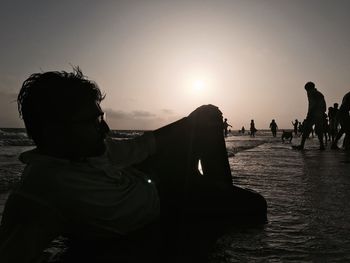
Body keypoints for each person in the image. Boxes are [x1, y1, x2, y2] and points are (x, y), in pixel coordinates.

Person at [0, 68, 267, 263]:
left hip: (155, 174)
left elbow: (142, 146)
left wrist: (190, 122)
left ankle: (217, 194)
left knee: (207, 113)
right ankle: (217, 197)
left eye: (101, 117)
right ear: (55, 130)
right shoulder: (42, 189)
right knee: (256, 207)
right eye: (94, 121)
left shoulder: (93, 149)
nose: (105, 128)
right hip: (168, 200)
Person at [294, 82, 326, 150]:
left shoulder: (311, 93)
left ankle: (301, 145)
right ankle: (322, 145)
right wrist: (322, 113)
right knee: (319, 130)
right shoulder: (320, 94)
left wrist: (309, 114)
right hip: (320, 115)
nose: (306, 91)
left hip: (313, 114)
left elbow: (313, 104)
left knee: (306, 129)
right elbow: (324, 106)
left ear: (308, 88)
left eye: (306, 89)